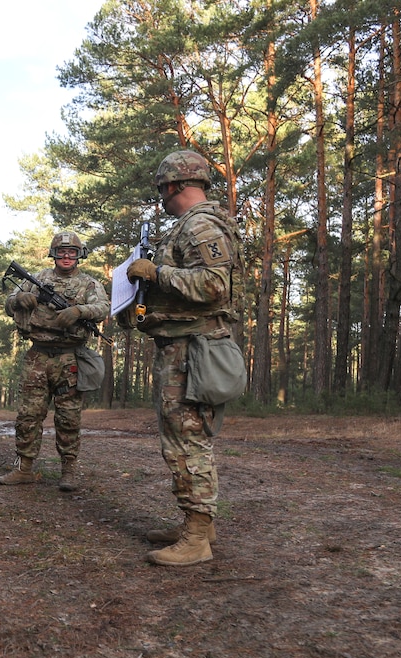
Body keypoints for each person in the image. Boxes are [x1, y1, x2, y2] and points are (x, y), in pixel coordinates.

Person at [124, 149, 244, 567]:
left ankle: (196, 537)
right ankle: (198, 525)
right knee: (184, 439)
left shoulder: (201, 225)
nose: (161, 198)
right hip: (182, 348)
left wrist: (159, 273)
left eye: (163, 189)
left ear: (175, 185)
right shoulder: (190, 226)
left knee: (187, 442)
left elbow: (214, 286)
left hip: (193, 351)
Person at [0, 231, 109, 491]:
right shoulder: (38, 279)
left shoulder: (89, 283)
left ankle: (68, 471)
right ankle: (24, 468)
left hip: (70, 358)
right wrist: (18, 300)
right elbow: (8, 303)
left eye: (72, 252)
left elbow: (103, 308)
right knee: (28, 415)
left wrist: (79, 310)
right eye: (61, 252)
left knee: (69, 417)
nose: (66, 256)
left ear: (79, 255)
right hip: (38, 355)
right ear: (54, 254)